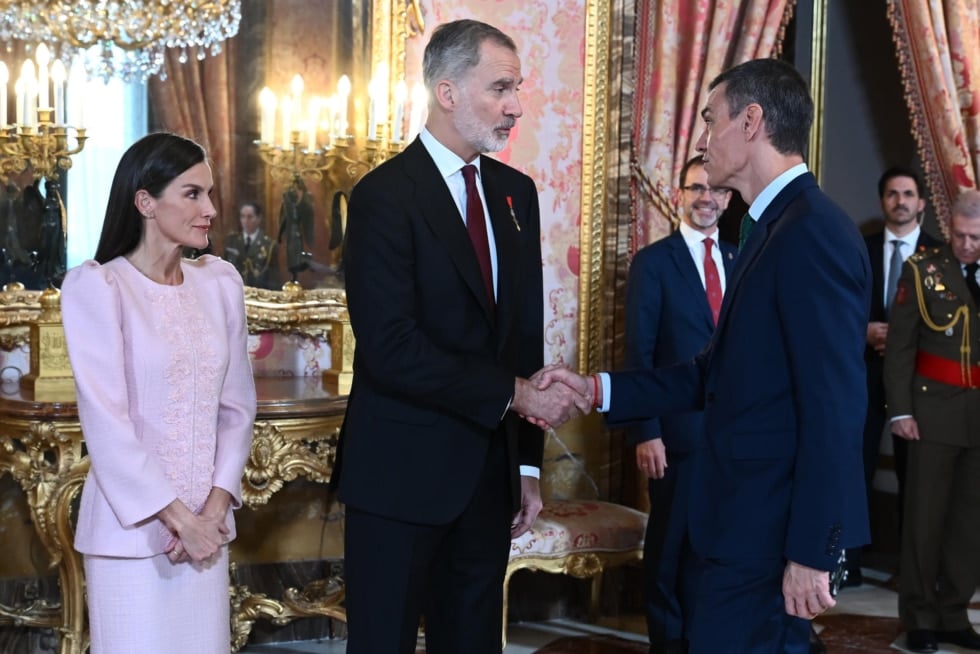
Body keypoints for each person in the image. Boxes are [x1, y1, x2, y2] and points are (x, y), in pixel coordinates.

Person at [532, 58, 871, 653]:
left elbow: (835, 407)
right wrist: (595, 389)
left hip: (769, 535)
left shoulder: (812, 232)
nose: (702, 138)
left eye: (711, 120)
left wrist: (812, 552)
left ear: (752, 121)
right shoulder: (768, 228)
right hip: (737, 524)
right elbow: (714, 375)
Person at [332, 19, 586, 654]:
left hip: (489, 477)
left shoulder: (516, 194)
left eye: (517, 88)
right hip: (399, 475)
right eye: (501, 88)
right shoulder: (382, 196)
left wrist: (526, 465)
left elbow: (523, 338)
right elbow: (391, 348)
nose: (515, 106)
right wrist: (515, 394)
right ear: (446, 92)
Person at [60, 132, 256, 654]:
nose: (209, 209)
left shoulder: (219, 284)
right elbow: (107, 423)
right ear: (145, 201)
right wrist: (179, 520)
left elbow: (238, 409)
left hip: (206, 538)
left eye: (209, 193)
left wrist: (212, 512)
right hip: (131, 537)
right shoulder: (99, 288)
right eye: (192, 194)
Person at [624, 155, 734, 654]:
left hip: (733, 435)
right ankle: (668, 641)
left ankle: (703, 636)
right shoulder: (654, 263)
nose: (706, 198)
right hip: (676, 434)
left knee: (717, 543)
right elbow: (638, 354)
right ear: (678, 196)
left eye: (715, 190)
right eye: (695, 189)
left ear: (728, 198)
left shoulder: (741, 258)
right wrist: (646, 430)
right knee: (671, 545)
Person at [884, 190, 980, 653]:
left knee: (969, 522)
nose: (967, 245)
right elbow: (900, 347)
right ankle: (920, 616)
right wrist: (900, 410)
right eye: (960, 236)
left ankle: (953, 613)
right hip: (931, 414)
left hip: (977, 418)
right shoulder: (922, 270)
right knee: (924, 520)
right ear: (948, 227)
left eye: (976, 238)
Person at [848, 166, 941, 584]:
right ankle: (847, 562)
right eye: (892, 193)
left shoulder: (940, 256)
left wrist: (906, 340)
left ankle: (911, 570)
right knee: (855, 465)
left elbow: (950, 319)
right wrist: (863, 331)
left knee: (915, 474)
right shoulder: (860, 249)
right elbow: (839, 306)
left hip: (918, 379)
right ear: (882, 201)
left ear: (921, 203)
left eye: (907, 194)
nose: (900, 201)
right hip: (864, 372)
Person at [222, 201, 281, 289]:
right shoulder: (232, 241)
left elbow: (273, 279)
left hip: (258, 293)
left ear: (258, 218)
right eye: (242, 216)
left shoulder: (268, 246)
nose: (245, 221)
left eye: (250, 217)